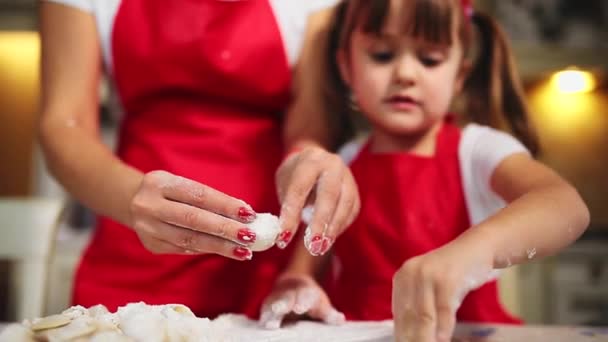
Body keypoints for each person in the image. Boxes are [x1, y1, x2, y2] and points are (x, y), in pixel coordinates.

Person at [259, 0, 590, 340]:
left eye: (429, 59)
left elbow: (566, 206)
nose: (405, 74)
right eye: (382, 55)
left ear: (459, 75)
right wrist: (296, 287)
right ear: (347, 67)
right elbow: (302, 270)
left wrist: (471, 254)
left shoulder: (477, 151)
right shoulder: (342, 164)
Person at [38, 0, 360, 319]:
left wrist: (304, 163)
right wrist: (132, 198)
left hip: (263, 272)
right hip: (134, 257)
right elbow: (65, 126)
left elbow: (310, 125)